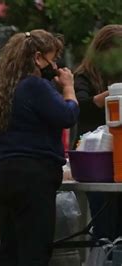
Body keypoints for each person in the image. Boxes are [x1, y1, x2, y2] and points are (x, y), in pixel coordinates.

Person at [0, 29, 79, 266]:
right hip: (33, 177)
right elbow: (67, 115)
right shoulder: (35, 86)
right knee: (34, 250)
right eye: (52, 58)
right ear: (37, 58)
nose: (54, 65)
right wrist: (69, 88)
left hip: (2, 176)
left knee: (9, 249)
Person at [73, 24, 122, 241]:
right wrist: (112, 94)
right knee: (104, 226)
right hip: (96, 161)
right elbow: (81, 106)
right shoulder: (83, 77)